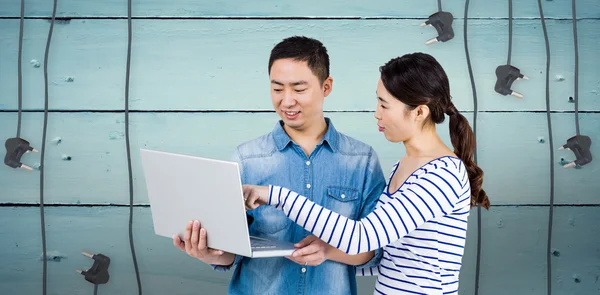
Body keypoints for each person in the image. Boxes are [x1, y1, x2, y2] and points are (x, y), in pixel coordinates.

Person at [243, 52, 491, 295]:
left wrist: (276, 195)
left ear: (419, 112)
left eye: (384, 104)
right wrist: (327, 251)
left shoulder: (441, 175)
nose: (377, 113)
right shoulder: (404, 166)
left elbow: (361, 237)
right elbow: (392, 259)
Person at [172, 36, 387, 295]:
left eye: (298, 89)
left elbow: (376, 252)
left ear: (326, 86)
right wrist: (206, 253)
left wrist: (329, 250)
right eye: (277, 89)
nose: (286, 101)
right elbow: (232, 255)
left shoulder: (362, 161)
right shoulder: (246, 159)